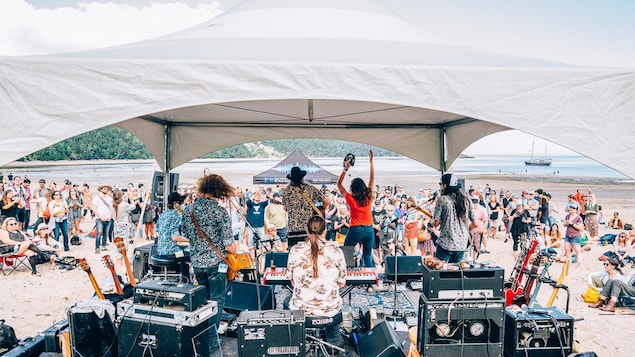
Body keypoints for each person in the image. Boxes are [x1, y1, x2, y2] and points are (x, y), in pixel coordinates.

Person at [181, 174, 238, 352]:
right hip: (216, 263)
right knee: (217, 300)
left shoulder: (188, 210)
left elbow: (186, 234)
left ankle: (201, 337)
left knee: (202, 301)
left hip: (197, 262)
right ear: (220, 190)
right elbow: (230, 245)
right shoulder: (219, 211)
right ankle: (212, 340)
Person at [286, 215, 346, 347]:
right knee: (334, 302)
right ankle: (333, 342)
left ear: (307, 231)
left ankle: (297, 342)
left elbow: (292, 282)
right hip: (328, 310)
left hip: (302, 311)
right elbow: (342, 283)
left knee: (287, 302)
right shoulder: (336, 251)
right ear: (325, 231)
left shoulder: (295, 250)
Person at [337, 150, 375, 267]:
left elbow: (339, 185)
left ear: (353, 189)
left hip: (355, 230)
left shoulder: (351, 199)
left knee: (346, 253)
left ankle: (349, 276)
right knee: (367, 256)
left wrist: (345, 169)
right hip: (369, 230)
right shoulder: (369, 197)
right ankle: (369, 283)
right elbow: (372, 179)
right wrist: (371, 162)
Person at [432, 173, 476, 263]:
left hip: (446, 243)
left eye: (440, 184)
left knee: (441, 271)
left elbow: (435, 224)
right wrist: (465, 230)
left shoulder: (442, 200)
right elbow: (476, 224)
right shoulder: (466, 200)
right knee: (456, 273)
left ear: (444, 185)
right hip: (462, 244)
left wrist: (433, 221)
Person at [283, 166, 323, 248]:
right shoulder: (310, 189)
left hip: (292, 229)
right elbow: (325, 200)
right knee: (308, 253)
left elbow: (285, 208)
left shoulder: (286, 191)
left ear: (291, 179)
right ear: (302, 178)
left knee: (294, 254)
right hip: (308, 229)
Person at [155, 192, 190, 281]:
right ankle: (186, 281)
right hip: (171, 254)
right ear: (178, 203)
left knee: (183, 253)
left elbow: (156, 229)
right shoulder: (175, 215)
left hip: (161, 251)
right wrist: (190, 240)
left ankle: (184, 279)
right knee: (189, 255)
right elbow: (174, 237)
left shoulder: (164, 213)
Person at [93, 185, 113, 254]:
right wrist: (100, 217)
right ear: (101, 189)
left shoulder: (109, 198)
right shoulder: (97, 198)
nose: (106, 190)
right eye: (105, 189)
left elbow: (111, 208)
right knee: (99, 232)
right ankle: (97, 247)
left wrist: (110, 216)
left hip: (108, 218)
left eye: (107, 189)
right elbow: (94, 208)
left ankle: (104, 246)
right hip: (99, 218)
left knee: (105, 232)